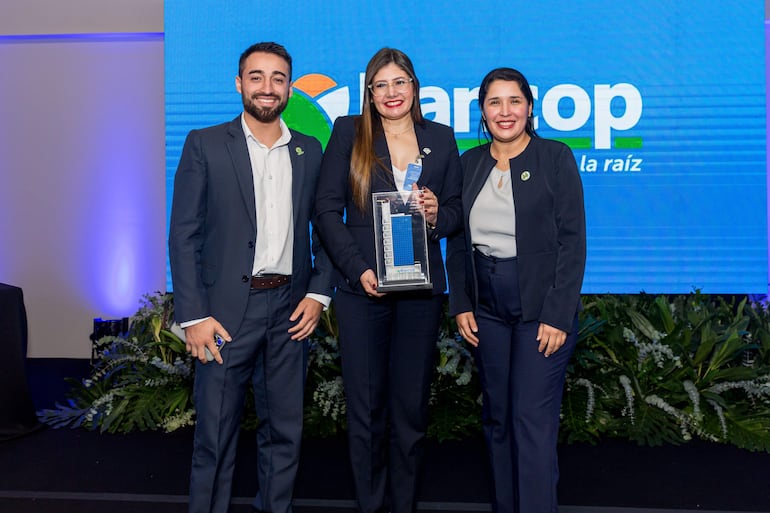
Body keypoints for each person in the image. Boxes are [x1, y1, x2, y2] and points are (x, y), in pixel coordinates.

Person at [168, 42, 334, 513]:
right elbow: (184, 236)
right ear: (239, 83)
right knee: (214, 438)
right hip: (221, 317)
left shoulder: (309, 150)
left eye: (278, 78)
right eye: (256, 77)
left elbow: (327, 230)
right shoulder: (204, 143)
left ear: (289, 88)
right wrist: (193, 315)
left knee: (285, 434)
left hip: (289, 312)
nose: (267, 87)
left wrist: (319, 293)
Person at [314, 48, 463, 513]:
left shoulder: (440, 137)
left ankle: (404, 504)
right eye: (381, 84)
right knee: (366, 409)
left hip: (420, 292)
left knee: (411, 409)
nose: (391, 92)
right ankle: (370, 504)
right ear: (370, 93)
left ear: (414, 88)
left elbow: (458, 211)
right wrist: (357, 267)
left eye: (400, 83)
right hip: (362, 291)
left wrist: (439, 215)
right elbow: (325, 210)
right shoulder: (348, 133)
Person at [447, 67, 586, 513]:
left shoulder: (555, 157)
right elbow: (457, 239)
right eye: (494, 102)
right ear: (482, 112)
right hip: (485, 308)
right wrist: (461, 303)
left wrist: (558, 314)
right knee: (497, 419)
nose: (505, 112)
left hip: (539, 310)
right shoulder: (469, 163)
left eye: (514, 101)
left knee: (530, 421)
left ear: (529, 107)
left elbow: (573, 242)